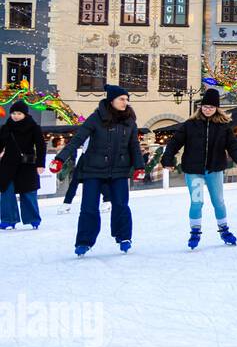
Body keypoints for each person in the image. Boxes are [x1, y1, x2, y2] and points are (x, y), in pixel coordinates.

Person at [49, 84, 147, 256]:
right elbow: (77, 139)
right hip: (93, 170)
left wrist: (139, 166)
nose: (126, 102)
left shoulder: (129, 121)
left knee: (121, 205)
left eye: (127, 100)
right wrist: (60, 159)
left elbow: (134, 145)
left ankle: (124, 237)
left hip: (119, 170)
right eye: (122, 99)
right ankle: (84, 242)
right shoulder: (95, 118)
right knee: (88, 207)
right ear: (112, 100)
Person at [160, 88, 237, 248]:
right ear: (201, 107)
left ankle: (224, 230)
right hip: (194, 171)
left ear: (217, 108)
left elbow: (232, 145)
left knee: (218, 201)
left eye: (211, 107)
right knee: (197, 202)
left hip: (214, 170)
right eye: (205, 106)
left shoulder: (223, 126)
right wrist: (167, 159)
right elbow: (174, 143)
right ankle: (195, 232)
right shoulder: (189, 125)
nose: (208, 110)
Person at [0, 99, 46, 231]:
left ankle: (33, 219)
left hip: (27, 164)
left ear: (25, 114)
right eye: (13, 113)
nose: (15, 116)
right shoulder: (6, 127)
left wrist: (40, 164)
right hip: (8, 164)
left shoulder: (33, 127)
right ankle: (8, 220)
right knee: (6, 192)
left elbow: (41, 146)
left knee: (28, 192)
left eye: (19, 113)